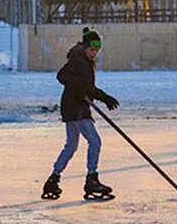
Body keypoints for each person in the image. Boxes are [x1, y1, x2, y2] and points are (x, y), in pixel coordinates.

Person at [42, 29, 120, 201]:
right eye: (92, 49)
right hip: (76, 109)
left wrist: (104, 97)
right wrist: (79, 88)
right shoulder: (78, 60)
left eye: (97, 50)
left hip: (73, 107)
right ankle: (92, 179)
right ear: (85, 47)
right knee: (95, 141)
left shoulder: (84, 61)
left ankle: (53, 179)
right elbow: (62, 76)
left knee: (71, 145)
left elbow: (88, 88)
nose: (94, 53)